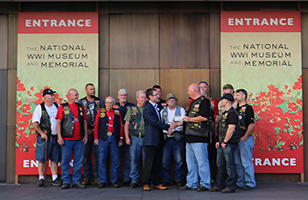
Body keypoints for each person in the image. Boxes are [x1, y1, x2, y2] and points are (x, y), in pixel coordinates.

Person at [180, 83, 212, 192]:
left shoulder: (204, 102)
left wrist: (188, 119)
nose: (187, 93)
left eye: (189, 90)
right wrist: (179, 123)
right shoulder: (193, 102)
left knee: (202, 161)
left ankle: (205, 183)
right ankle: (191, 183)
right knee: (191, 162)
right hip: (189, 136)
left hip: (199, 136)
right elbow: (188, 119)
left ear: (194, 90)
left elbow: (204, 117)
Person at [56, 89, 88, 189]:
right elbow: (59, 122)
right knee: (65, 161)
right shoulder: (63, 107)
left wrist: (86, 135)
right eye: (75, 95)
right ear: (69, 96)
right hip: (66, 138)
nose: (77, 96)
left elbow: (85, 122)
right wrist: (59, 136)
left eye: (77, 95)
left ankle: (76, 181)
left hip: (79, 139)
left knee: (78, 161)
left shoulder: (81, 107)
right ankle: (66, 181)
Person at [142, 88, 173, 191]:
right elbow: (154, 122)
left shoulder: (157, 107)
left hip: (159, 139)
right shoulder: (147, 108)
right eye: (155, 95)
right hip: (151, 140)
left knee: (157, 162)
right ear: (150, 97)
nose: (158, 96)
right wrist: (167, 127)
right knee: (149, 162)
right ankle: (146, 183)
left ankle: (156, 182)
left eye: (157, 94)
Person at [210, 93, 239, 193]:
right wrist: (219, 140)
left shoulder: (232, 113)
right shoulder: (225, 113)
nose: (220, 102)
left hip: (229, 143)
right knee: (220, 165)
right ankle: (219, 184)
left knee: (229, 165)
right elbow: (222, 129)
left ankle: (230, 186)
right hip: (223, 143)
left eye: (222, 100)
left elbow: (231, 129)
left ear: (226, 101)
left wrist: (225, 141)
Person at [32, 88, 61, 187]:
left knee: (55, 158)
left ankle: (54, 178)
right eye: (51, 95)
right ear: (45, 97)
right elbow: (35, 123)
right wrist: (41, 133)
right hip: (45, 137)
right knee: (42, 158)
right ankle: (41, 178)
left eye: (53, 95)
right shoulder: (39, 108)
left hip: (55, 136)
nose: (53, 97)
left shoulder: (57, 106)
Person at [94, 96, 124, 188]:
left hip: (114, 138)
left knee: (115, 160)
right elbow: (96, 125)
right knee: (102, 160)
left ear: (114, 103)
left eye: (110, 102)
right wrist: (95, 138)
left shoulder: (117, 113)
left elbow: (120, 126)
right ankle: (102, 180)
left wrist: (121, 139)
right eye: (107, 102)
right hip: (103, 138)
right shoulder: (100, 112)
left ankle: (114, 180)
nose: (109, 104)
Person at [79, 83, 105, 185]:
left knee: (98, 156)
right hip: (86, 133)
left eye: (93, 89)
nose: (93, 91)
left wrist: (95, 130)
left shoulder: (100, 102)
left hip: (97, 133)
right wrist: (87, 131)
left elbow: (103, 116)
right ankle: (86, 177)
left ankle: (97, 177)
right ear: (86, 91)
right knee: (86, 156)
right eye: (91, 89)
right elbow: (80, 118)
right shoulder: (82, 102)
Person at [161, 93, 186, 187]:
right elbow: (160, 123)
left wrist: (173, 129)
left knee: (179, 160)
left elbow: (183, 122)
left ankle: (179, 180)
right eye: (170, 99)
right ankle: (166, 180)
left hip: (177, 138)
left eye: (173, 99)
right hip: (166, 138)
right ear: (166, 102)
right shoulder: (163, 111)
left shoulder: (181, 110)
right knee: (165, 161)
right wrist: (167, 130)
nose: (172, 101)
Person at [124, 90, 147, 188]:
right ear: (137, 98)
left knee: (146, 160)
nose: (144, 99)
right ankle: (134, 180)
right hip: (134, 138)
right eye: (142, 97)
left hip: (146, 138)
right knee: (134, 160)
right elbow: (127, 124)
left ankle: (146, 180)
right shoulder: (132, 109)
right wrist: (126, 137)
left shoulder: (148, 108)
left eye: (145, 97)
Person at [234, 89, 256, 190]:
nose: (236, 96)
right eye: (236, 94)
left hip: (245, 139)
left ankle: (250, 182)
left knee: (246, 162)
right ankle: (240, 182)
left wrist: (245, 136)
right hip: (236, 139)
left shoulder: (248, 108)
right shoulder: (235, 109)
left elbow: (252, 124)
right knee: (238, 162)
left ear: (244, 96)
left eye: (238, 95)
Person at [199, 81, 218, 182]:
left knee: (210, 155)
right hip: (198, 132)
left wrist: (213, 132)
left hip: (209, 130)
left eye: (204, 87)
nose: (202, 89)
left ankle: (211, 178)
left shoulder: (212, 101)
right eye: (200, 87)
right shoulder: (194, 102)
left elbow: (215, 117)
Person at [115, 88, 134, 186]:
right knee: (116, 159)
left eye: (125, 95)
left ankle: (127, 179)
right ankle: (115, 180)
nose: (123, 97)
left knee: (128, 158)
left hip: (128, 136)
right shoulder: (114, 106)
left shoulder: (131, 107)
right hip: (116, 136)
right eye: (121, 95)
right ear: (118, 96)